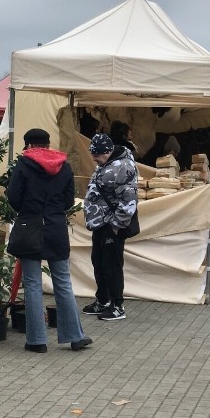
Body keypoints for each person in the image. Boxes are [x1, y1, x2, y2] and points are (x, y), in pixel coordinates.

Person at [7, 128, 92, 353]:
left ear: (28, 145)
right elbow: (67, 200)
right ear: (47, 144)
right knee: (63, 282)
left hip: (30, 227)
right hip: (55, 229)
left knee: (33, 285)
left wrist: (29, 211)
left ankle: (37, 341)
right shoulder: (63, 166)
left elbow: (14, 197)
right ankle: (75, 336)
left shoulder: (23, 165)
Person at [82, 133, 138, 321]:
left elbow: (129, 200)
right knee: (98, 261)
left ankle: (117, 305)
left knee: (112, 264)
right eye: (93, 154)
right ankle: (102, 300)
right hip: (100, 223)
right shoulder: (105, 165)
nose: (94, 158)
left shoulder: (124, 166)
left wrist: (116, 225)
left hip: (111, 224)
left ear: (108, 151)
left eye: (97, 154)